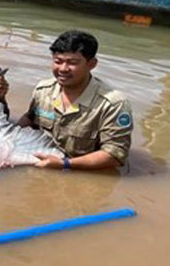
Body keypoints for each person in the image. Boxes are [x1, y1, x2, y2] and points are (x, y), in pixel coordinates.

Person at [18, 30, 133, 170]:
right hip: (44, 165)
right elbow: (30, 119)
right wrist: (10, 136)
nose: (63, 69)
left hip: (85, 173)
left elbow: (114, 155)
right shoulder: (43, 91)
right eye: (57, 61)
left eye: (72, 63)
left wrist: (65, 164)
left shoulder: (112, 104)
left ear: (92, 64)